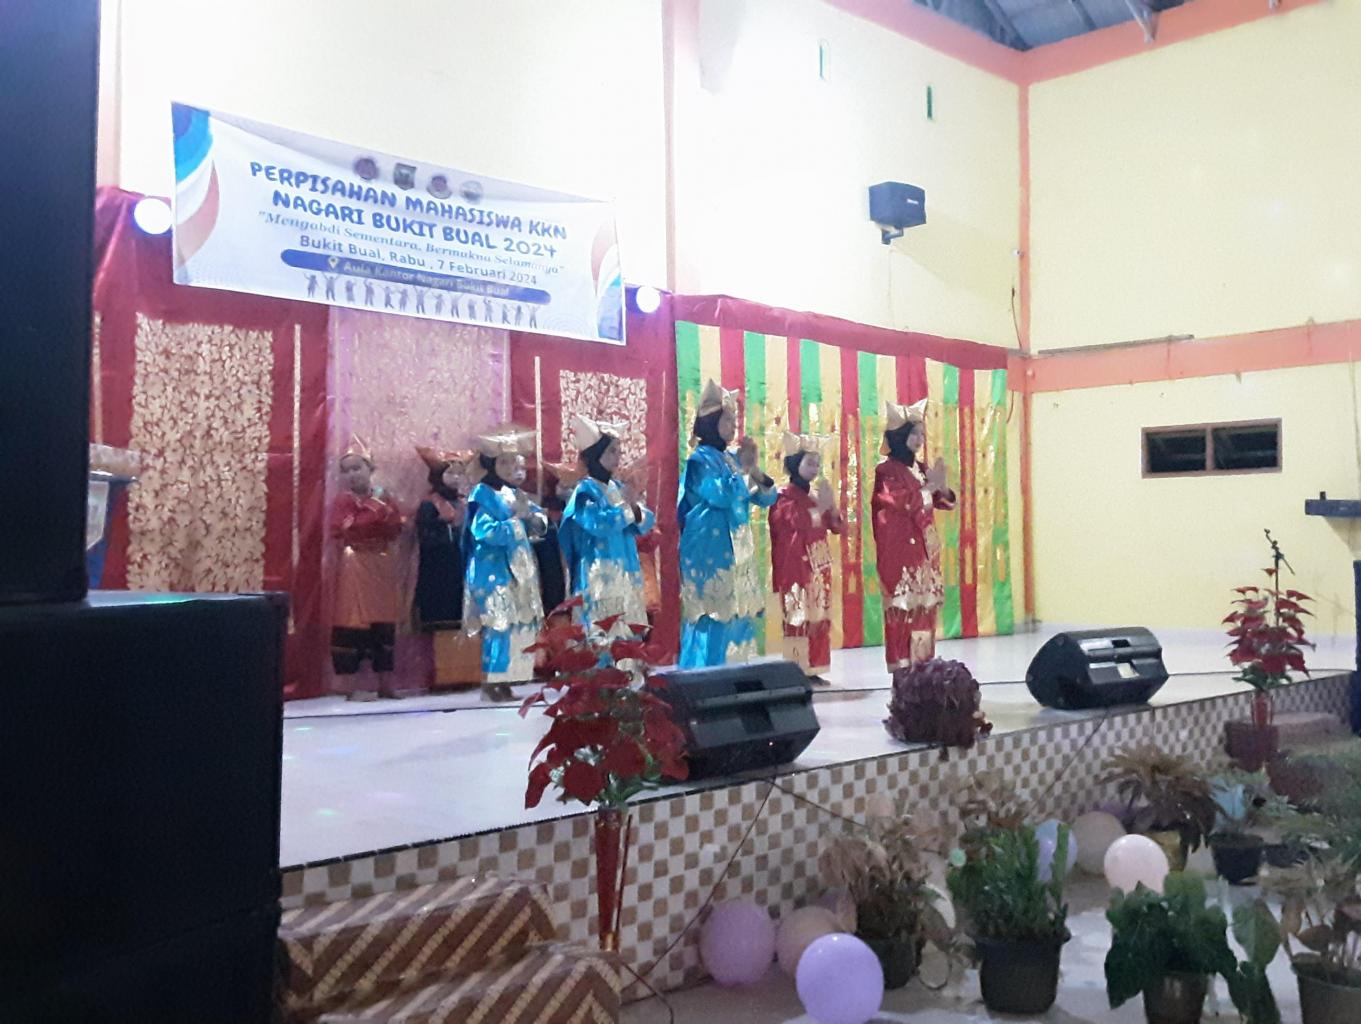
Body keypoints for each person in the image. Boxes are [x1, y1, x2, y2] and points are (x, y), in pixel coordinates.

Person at [677, 379, 778, 667]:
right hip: (709, 554)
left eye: (734, 420)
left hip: (737, 552)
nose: (733, 426)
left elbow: (767, 498)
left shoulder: (731, 459)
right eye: (726, 420)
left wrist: (754, 469)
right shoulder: (699, 460)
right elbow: (719, 494)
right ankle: (704, 680)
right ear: (710, 423)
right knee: (711, 618)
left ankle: (736, 679)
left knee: (738, 616)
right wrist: (744, 470)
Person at [872, 398, 955, 669]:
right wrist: (929, 489)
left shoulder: (920, 468)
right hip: (900, 552)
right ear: (899, 436)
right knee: (902, 607)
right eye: (914, 434)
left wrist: (941, 486)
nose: (920, 439)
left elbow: (945, 502)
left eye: (922, 434)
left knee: (924, 608)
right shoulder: (886, 471)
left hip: (925, 551)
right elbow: (901, 502)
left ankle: (922, 667)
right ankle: (902, 669)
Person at [463, 426, 545, 700]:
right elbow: (484, 532)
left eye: (514, 462)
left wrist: (533, 519)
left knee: (518, 622)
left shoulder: (517, 494)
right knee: (498, 623)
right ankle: (492, 682)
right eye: (504, 462)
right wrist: (518, 522)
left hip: (518, 569)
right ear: (492, 464)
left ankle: (509, 679)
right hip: (492, 569)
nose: (510, 468)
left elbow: (539, 521)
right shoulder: (482, 495)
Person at [560, 415, 654, 639]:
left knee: (626, 635)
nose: (618, 456)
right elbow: (598, 524)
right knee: (600, 635)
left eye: (619, 451)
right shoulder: (584, 492)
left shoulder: (618, 487)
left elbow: (647, 521)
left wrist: (634, 509)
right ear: (596, 454)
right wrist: (628, 509)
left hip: (626, 572)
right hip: (598, 574)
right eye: (611, 451)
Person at [329, 437, 404, 699]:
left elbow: (395, 527)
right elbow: (344, 528)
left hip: (381, 562)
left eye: (357, 468)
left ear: (370, 469)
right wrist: (375, 512)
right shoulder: (343, 500)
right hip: (355, 563)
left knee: (383, 622)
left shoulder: (384, 496)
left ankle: (385, 684)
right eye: (346, 470)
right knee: (352, 621)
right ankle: (349, 687)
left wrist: (376, 515)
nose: (352, 475)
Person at [770, 431, 843, 680]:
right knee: (797, 616)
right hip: (795, 568)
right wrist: (821, 508)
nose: (815, 468)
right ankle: (796, 670)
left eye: (817, 464)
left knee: (818, 616)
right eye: (810, 463)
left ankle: (815, 668)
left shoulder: (814, 496)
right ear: (794, 464)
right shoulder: (782, 497)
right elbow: (795, 521)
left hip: (818, 567)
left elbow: (837, 527)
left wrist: (831, 507)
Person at [413, 447, 480, 687]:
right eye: (450, 473)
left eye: (460, 474)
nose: (456, 478)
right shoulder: (429, 504)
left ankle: (468, 673)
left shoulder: (464, 503)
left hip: (463, 566)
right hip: (439, 570)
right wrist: (445, 527)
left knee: (464, 617)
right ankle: (446, 676)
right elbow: (425, 537)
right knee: (443, 620)